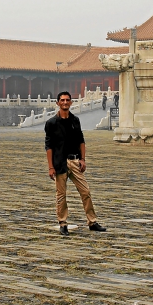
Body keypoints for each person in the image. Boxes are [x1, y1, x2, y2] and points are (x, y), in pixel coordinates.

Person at [44, 91, 106, 236]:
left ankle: (92, 222)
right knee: (61, 195)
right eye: (62, 100)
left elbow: (81, 141)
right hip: (60, 163)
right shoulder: (51, 123)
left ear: (71, 102)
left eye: (67, 100)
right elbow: (49, 146)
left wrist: (83, 159)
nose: (65, 102)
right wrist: (51, 167)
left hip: (74, 161)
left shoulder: (75, 120)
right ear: (57, 103)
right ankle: (63, 223)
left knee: (86, 192)